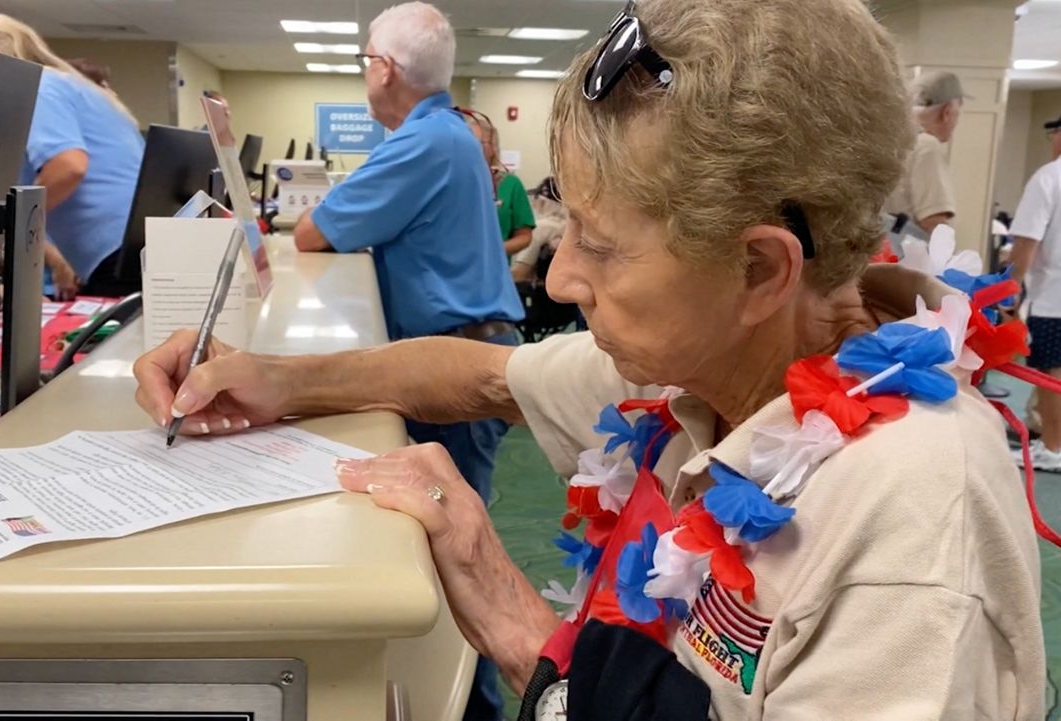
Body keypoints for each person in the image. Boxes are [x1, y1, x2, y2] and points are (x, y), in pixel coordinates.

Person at [135, 0, 1044, 717]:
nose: (560, 277)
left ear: (760, 268)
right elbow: (481, 376)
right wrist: (278, 380)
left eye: (601, 245)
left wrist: (514, 617)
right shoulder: (698, 366)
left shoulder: (913, 529)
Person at [290, 4, 522, 718]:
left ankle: (477, 707)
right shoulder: (442, 135)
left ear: (383, 70)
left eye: (367, 61)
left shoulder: (422, 142)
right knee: (454, 543)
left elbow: (309, 233)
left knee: (456, 557)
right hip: (468, 343)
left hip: (457, 360)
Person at [0, 15, 145, 300]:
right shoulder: (74, 87)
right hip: (131, 242)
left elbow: (68, 167)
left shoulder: (38, 89)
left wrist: (7, 226)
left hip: (114, 249)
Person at [1009, 115, 1061, 470]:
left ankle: (1054, 447)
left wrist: (1009, 290)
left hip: (1052, 298)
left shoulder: (1048, 178)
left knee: (1050, 372)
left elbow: (1027, 242)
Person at [883, 71, 966, 240]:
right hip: (909, 260)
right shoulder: (927, 147)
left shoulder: (891, 143)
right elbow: (934, 222)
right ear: (947, 112)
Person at [463, 109, 536, 255]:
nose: (472, 147)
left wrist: (494, 252)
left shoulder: (510, 184)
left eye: (479, 143)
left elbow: (524, 236)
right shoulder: (451, 182)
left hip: (494, 271)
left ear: (493, 148)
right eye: (467, 141)